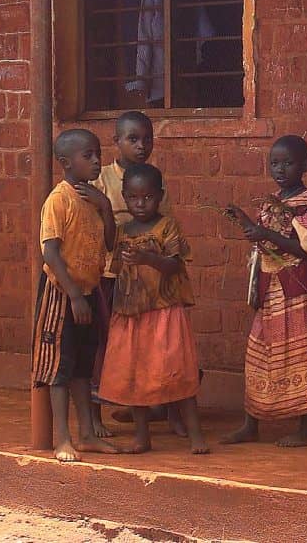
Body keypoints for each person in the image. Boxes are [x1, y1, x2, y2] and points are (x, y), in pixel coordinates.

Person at [220, 135, 307, 447]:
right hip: (271, 288)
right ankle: (251, 424)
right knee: (258, 353)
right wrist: (244, 221)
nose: (280, 169)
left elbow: (304, 248)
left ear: (305, 165)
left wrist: (264, 232)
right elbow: (263, 238)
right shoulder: (272, 200)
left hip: (297, 290)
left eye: (288, 163)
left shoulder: (306, 204)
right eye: (275, 163)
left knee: (301, 355)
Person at [97, 164, 208, 454]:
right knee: (135, 375)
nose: (140, 204)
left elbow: (175, 265)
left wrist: (147, 258)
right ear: (124, 197)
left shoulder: (167, 226)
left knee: (178, 371)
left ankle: (196, 435)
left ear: (160, 196)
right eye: (134, 198)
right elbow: (114, 266)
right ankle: (142, 436)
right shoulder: (122, 232)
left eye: (147, 197)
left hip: (164, 312)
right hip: (131, 314)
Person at [92, 110, 183, 437]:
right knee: (106, 344)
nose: (141, 145)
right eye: (133, 139)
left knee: (157, 344)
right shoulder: (102, 178)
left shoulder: (155, 180)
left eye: (147, 139)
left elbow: (165, 228)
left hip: (149, 278)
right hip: (112, 276)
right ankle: (96, 415)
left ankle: (161, 406)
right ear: (116, 141)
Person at [32, 129, 120, 462]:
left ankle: (86, 434)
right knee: (60, 367)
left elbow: (110, 244)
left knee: (83, 366)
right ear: (66, 162)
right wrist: (74, 296)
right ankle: (62, 439)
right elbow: (50, 252)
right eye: (88, 156)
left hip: (87, 290)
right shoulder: (59, 199)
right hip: (62, 294)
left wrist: (106, 207)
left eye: (98, 153)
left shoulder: (94, 198)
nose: (96, 161)